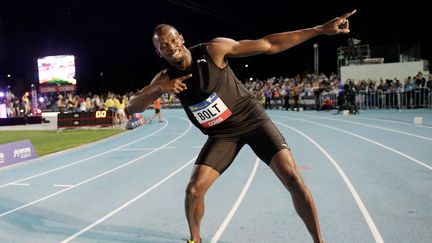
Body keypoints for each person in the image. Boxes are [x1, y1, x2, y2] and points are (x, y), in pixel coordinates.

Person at [127, 9, 356, 243]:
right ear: (158, 52)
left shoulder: (213, 50)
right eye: (163, 45)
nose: (170, 46)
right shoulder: (164, 78)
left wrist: (319, 30)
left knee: (294, 179)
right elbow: (132, 108)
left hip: (252, 120)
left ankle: (320, 241)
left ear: (181, 38)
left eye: (172, 39)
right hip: (222, 135)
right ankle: (195, 240)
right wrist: (158, 89)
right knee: (193, 192)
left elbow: (268, 44)